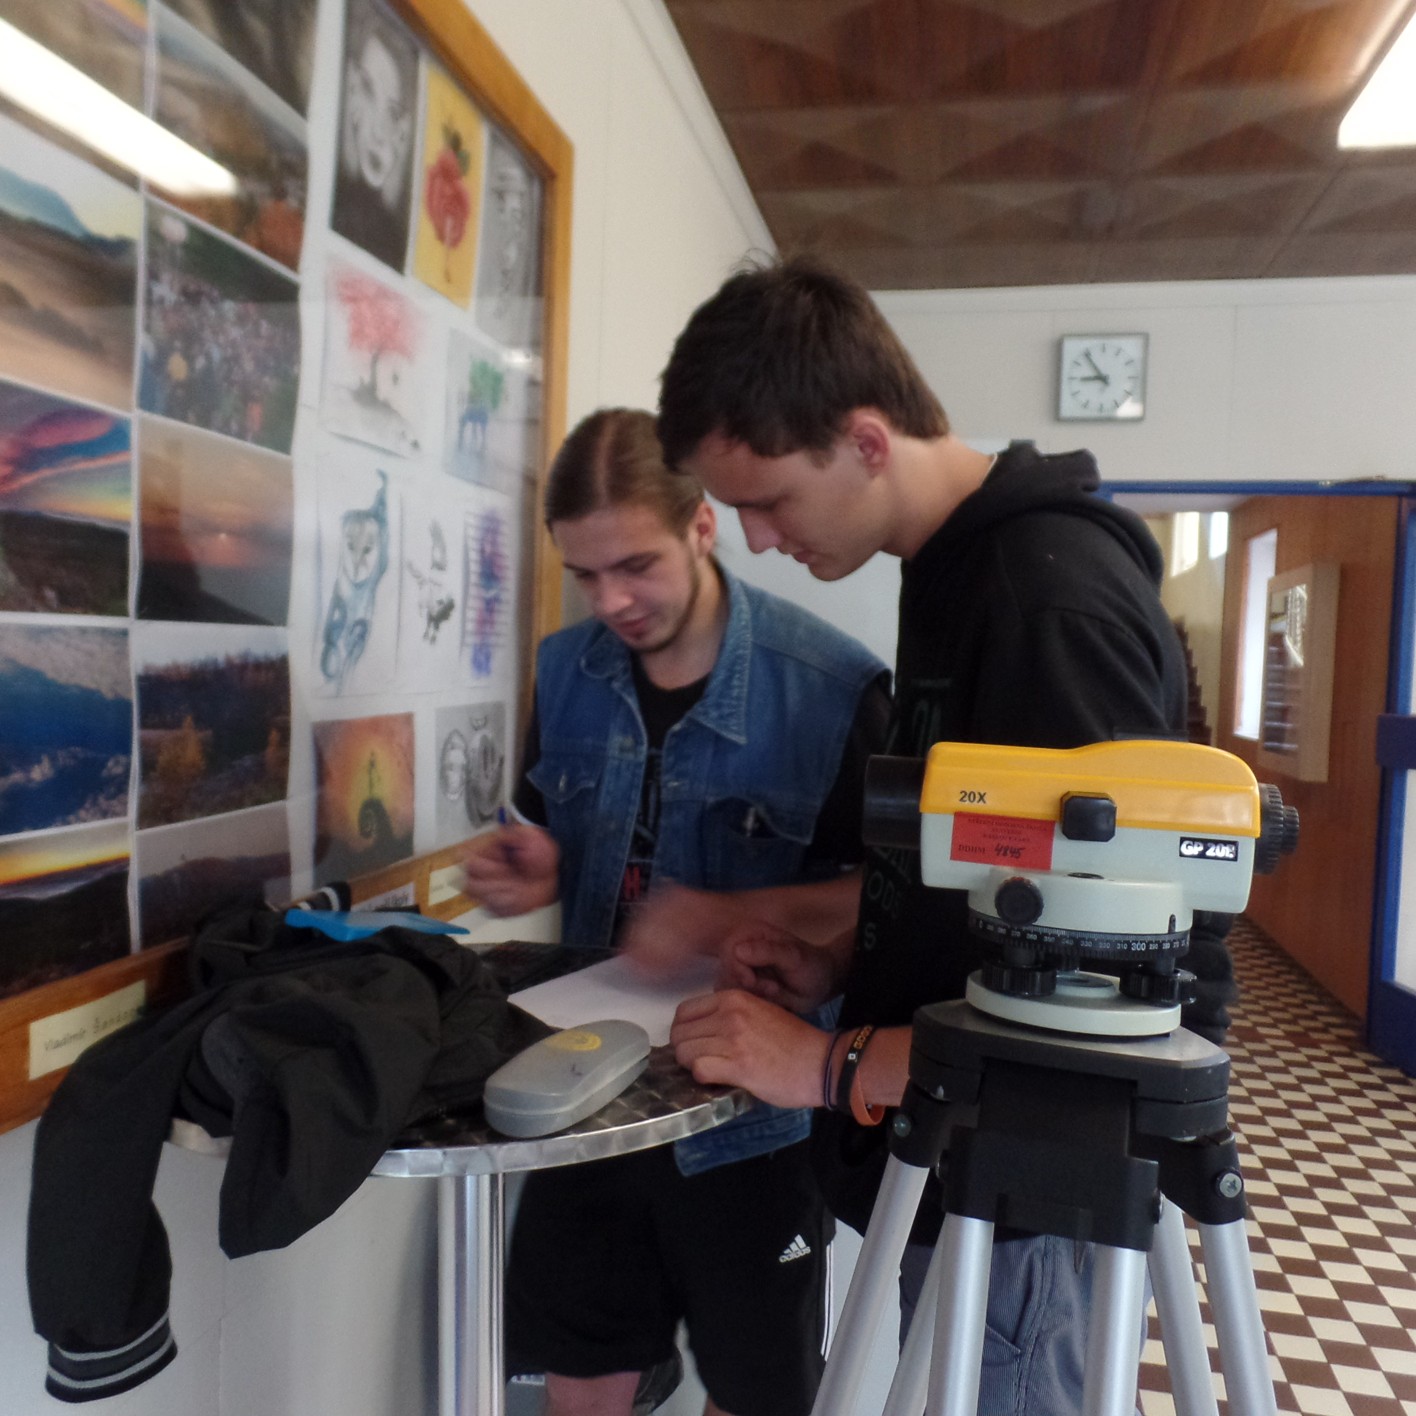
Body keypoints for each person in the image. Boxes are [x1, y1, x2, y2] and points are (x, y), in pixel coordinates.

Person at [637, 255, 1234, 1413]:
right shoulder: (951, 569)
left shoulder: (1044, 605)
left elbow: (1101, 1010)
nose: (754, 540)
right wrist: (844, 961)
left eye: (770, 500)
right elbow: (1005, 883)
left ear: (867, 441)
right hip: (956, 1144)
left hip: (1023, 1183)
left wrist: (826, 1063)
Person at [463, 407, 892, 1416]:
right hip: (581, 1094)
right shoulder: (564, 670)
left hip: (751, 1119)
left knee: (755, 1392)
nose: (611, 600)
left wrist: (719, 916)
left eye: (636, 566)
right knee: (578, 1383)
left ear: (703, 525)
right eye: (585, 574)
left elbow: (887, 900)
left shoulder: (832, 690)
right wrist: (541, 865)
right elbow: (566, 832)